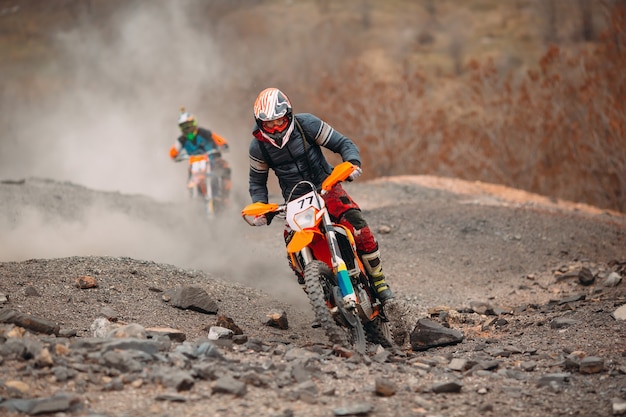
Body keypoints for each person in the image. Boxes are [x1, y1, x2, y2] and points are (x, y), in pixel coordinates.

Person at [247, 87, 394, 304]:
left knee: (358, 225)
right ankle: (321, 303)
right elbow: (256, 182)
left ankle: (379, 282)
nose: (276, 128)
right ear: (261, 124)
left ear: (288, 115)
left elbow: (343, 143)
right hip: (295, 201)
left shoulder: (307, 124)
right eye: (269, 124)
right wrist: (260, 208)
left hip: (325, 187)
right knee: (293, 251)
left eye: (280, 121)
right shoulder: (258, 146)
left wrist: (352, 163)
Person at [169, 108, 232, 202]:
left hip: (212, 160)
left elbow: (218, 139)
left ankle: (225, 197)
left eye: (188, 126)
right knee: (190, 180)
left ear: (194, 123)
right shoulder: (181, 140)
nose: (187, 129)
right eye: (184, 127)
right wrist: (175, 156)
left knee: (225, 168)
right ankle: (193, 201)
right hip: (195, 165)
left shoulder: (204, 133)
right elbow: (173, 151)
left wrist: (223, 145)